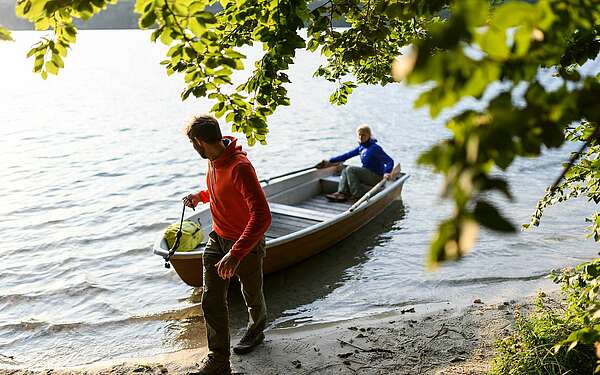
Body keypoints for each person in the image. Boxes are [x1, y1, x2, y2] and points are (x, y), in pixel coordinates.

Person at [182, 115, 272, 375]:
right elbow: (221, 190)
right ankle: (219, 360)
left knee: (251, 294)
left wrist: (235, 253)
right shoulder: (213, 161)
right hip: (216, 239)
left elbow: (262, 216)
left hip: (245, 244)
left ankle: (256, 331)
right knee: (211, 298)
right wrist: (200, 196)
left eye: (192, 144)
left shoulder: (240, 167)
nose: (193, 149)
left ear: (199, 141)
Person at [317, 125, 394, 202]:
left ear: (369, 135)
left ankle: (358, 195)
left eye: (363, 135)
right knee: (345, 170)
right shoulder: (361, 147)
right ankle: (342, 193)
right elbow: (347, 155)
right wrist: (330, 161)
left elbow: (389, 161)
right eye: (359, 135)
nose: (361, 137)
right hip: (367, 173)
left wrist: (387, 172)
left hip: (376, 177)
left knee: (350, 169)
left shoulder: (375, 148)